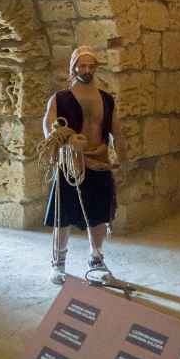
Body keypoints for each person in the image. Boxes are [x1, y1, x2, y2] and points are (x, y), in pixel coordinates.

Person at [43, 46, 120, 284]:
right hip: (71, 163)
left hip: (99, 160)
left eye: (90, 66)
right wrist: (66, 139)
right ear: (74, 67)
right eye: (81, 66)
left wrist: (122, 155)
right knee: (63, 215)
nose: (86, 70)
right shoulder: (60, 98)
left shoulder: (107, 99)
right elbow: (49, 127)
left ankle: (96, 259)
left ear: (95, 68)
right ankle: (58, 263)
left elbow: (116, 130)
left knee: (98, 214)